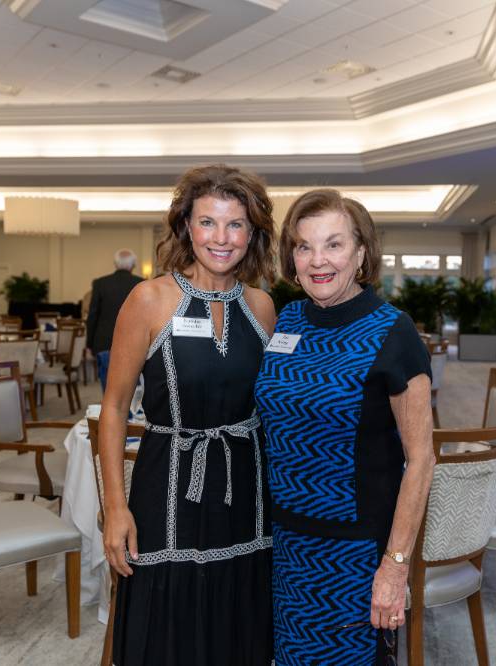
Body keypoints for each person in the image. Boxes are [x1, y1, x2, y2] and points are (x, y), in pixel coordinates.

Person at [100, 165, 278, 666]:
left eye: (236, 224)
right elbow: (113, 408)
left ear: (252, 233)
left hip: (246, 492)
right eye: (208, 222)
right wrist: (115, 508)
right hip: (165, 488)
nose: (221, 238)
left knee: (237, 620)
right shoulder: (149, 300)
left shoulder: (264, 308)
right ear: (186, 228)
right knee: (165, 622)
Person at [254, 189, 436, 665]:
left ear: (360, 253)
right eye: (303, 246)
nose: (318, 260)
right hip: (284, 542)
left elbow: (421, 460)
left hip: (354, 553)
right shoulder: (288, 318)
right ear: (291, 259)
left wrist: (394, 568)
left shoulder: (394, 332)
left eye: (333, 244)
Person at [86, 249, 143, 390]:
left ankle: (110, 411)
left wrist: (89, 345)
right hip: (133, 344)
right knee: (131, 389)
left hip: (104, 342)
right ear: (133, 265)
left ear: (115, 264)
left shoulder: (100, 283)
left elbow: (92, 315)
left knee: (108, 387)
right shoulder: (141, 284)